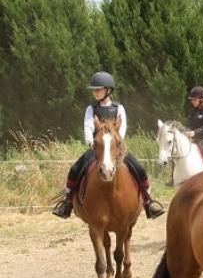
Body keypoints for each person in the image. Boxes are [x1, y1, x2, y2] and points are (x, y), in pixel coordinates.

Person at [52, 71, 166, 219]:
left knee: (140, 169)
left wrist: (117, 142)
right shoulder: (91, 109)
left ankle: (148, 202)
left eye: (98, 89)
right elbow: (88, 126)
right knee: (74, 169)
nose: (95, 92)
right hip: (97, 148)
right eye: (94, 90)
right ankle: (67, 203)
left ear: (108, 90)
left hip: (116, 148)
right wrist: (90, 141)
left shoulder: (119, 108)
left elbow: (122, 127)